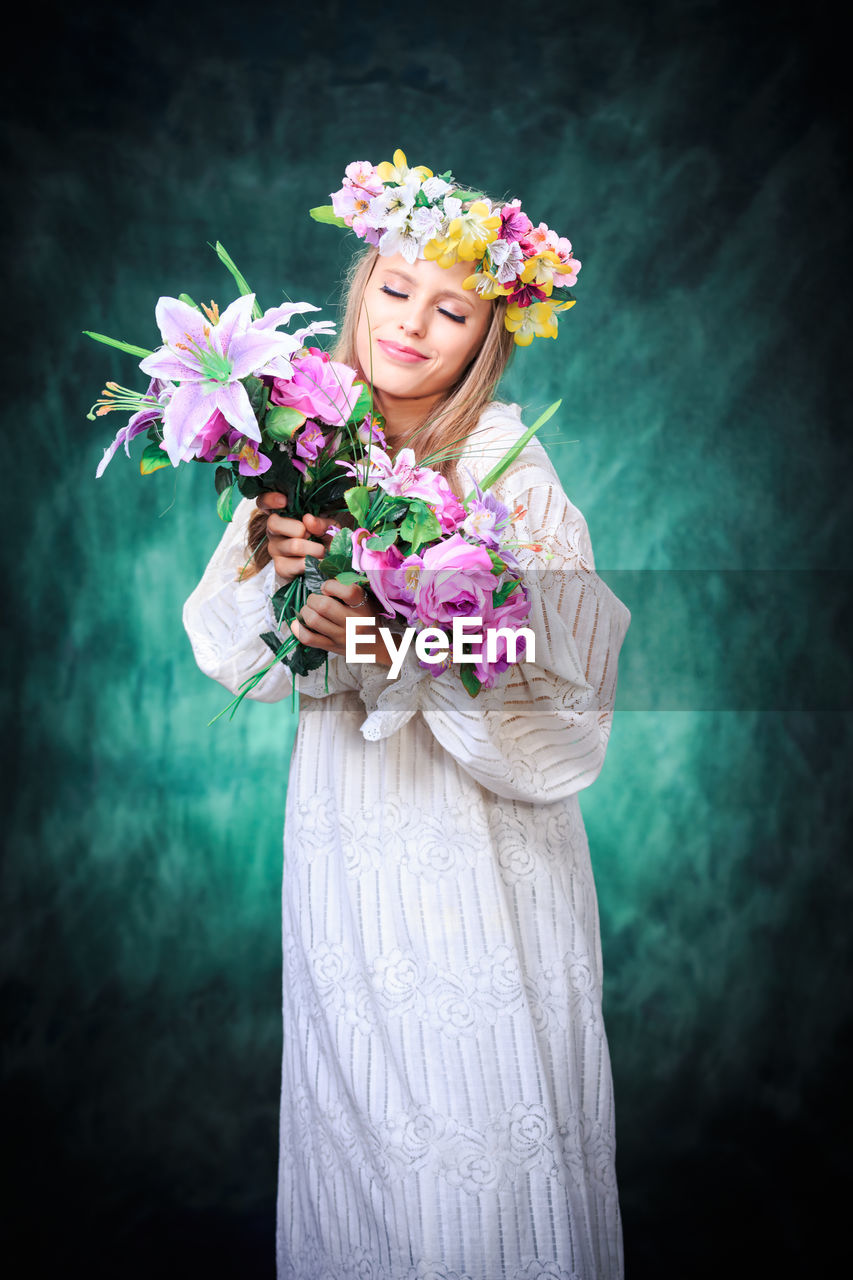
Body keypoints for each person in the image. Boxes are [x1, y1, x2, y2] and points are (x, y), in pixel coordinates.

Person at [183, 155, 631, 1280]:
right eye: (395, 288)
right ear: (360, 284)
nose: (413, 326)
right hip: (347, 847)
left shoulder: (511, 474)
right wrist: (282, 578)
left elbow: (556, 674)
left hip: (475, 858)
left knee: (474, 1137)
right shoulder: (299, 453)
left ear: (487, 332)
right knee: (367, 1143)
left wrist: (390, 639)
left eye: (453, 308)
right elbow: (234, 648)